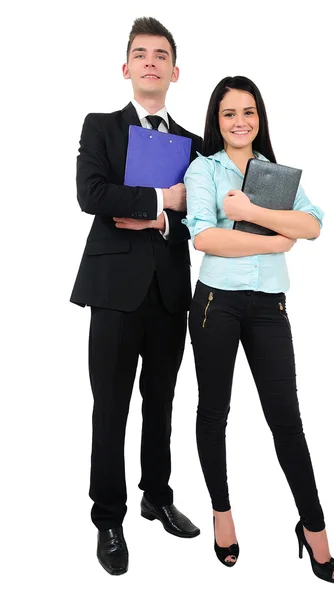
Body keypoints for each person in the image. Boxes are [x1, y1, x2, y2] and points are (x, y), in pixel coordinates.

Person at [183, 76, 334, 582]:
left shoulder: (274, 175)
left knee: (287, 421)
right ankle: (222, 514)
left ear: (260, 118)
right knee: (214, 413)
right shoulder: (203, 169)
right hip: (215, 305)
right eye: (229, 113)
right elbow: (205, 238)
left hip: (269, 306)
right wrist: (275, 239)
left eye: (248, 111)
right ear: (217, 120)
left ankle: (314, 528)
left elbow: (313, 224)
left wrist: (250, 213)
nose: (240, 122)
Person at [70, 17, 202, 575]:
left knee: (162, 403)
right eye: (141, 54)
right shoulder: (101, 126)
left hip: (170, 293)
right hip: (115, 292)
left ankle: (156, 494)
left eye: (161, 54)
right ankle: (108, 515)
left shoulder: (193, 144)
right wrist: (159, 200)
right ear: (127, 68)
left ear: (175, 70)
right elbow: (91, 194)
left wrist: (153, 219)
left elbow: (197, 218)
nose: (151, 61)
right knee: (112, 407)